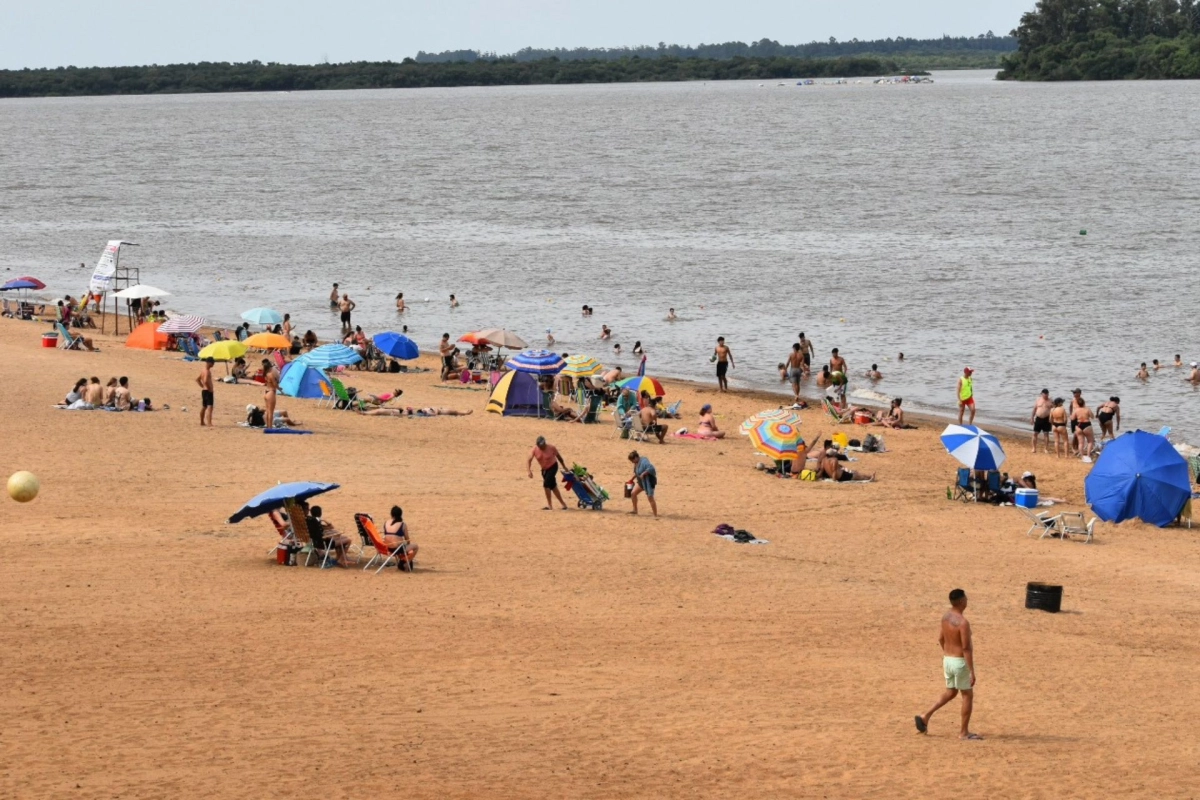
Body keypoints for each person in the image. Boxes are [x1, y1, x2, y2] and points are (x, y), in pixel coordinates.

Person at [915, 588, 980, 740]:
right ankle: (964, 733)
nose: (967, 601)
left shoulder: (945, 617)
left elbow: (940, 638)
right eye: (966, 599)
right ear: (961, 602)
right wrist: (971, 670)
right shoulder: (963, 623)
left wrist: (947, 654)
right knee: (967, 695)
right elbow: (966, 648)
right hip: (959, 661)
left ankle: (925, 716)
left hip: (947, 659)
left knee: (951, 692)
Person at [527, 436, 569, 510]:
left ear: (544, 444)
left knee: (546, 484)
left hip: (553, 466)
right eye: (539, 446)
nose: (541, 448)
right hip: (544, 470)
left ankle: (550, 506)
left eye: (542, 446)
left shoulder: (551, 447)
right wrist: (529, 471)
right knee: (553, 486)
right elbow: (529, 460)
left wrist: (564, 467)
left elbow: (559, 457)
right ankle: (563, 504)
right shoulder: (535, 449)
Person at [305, 503, 353, 568]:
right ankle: (341, 559)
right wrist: (326, 522)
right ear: (320, 513)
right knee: (348, 540)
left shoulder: (310, 521)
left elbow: (324, 530)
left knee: (342, 537)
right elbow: (331, 528)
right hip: (325, 544)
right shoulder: (317, 522)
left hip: (316, 543)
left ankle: (339, 557)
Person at [628, 450, 658, 517]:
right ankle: (635, 510)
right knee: (633, 493)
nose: (632, 462)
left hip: (648, 482)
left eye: (632, 460)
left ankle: (655, 515)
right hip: (641, 482)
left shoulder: (644, 461)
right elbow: (637, 473)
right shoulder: (636, 464)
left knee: (650, 497)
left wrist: (644, 473)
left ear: (636, 458)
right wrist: (632, 479)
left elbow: (651, 468)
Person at [1071, 396, 1095, 460]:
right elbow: (1092, 416)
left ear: (1078, 404)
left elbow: (1072, 418)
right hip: (1087, 425)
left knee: (1081, 442)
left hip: (1079, 425)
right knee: (1090, 441)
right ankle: (1088, 455)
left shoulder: (1076, 410)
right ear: (1084, 403)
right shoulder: (1087, 409)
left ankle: (1082, 456)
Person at [1031, 388, 1053, 453]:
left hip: (1047, 419)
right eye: (1045, 394)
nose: (1046, 396)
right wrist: (1032, 417)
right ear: (1042, 394)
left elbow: (1053, 410)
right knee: (1035, 433)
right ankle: (1034, 448)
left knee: (1046, 434)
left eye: (1047, 394)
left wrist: (1052, 419)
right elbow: (1034, 409)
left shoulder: (1051, 400)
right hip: (1038, 418)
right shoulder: (1038, 400)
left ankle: (1046, 448)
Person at [195, 357, 215, 426]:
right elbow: (206, 380)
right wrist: (209, 388)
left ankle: (202, 422)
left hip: (204, 390)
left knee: (204, 407)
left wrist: (202, 386)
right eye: (212, 363)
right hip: (208, 391)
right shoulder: (207, 371)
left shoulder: (203, 370)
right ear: (209, 363)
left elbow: (197, 379)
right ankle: (209, 423)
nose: (213, 364)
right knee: (210, 407)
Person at [261, 359, 279, 429]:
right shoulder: (270, 374)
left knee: (267, 411)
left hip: (266, 392)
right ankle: (270, 427)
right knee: (271, 412)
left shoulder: (265, 374)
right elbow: (274, 384)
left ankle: (268, 426)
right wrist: (280, 389)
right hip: (271, 392)